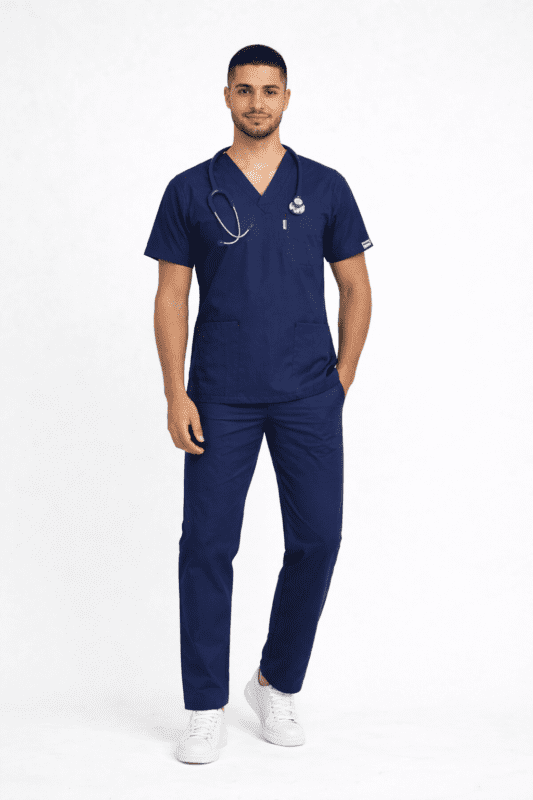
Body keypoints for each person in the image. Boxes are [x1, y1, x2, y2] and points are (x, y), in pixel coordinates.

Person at [144, 44, 373, 765]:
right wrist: (175, 390)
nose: (256, 103)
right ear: (226, 96)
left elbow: (356, 288)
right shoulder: (191, 189)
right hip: (220, 396)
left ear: (286, 98)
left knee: (318, 540)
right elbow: (171, 295)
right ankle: (203, 705)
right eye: (244, 90)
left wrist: (340, 378)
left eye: (269, 90)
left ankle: (276, 682)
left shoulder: (325, 187)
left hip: (308, 394)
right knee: (207, 546)